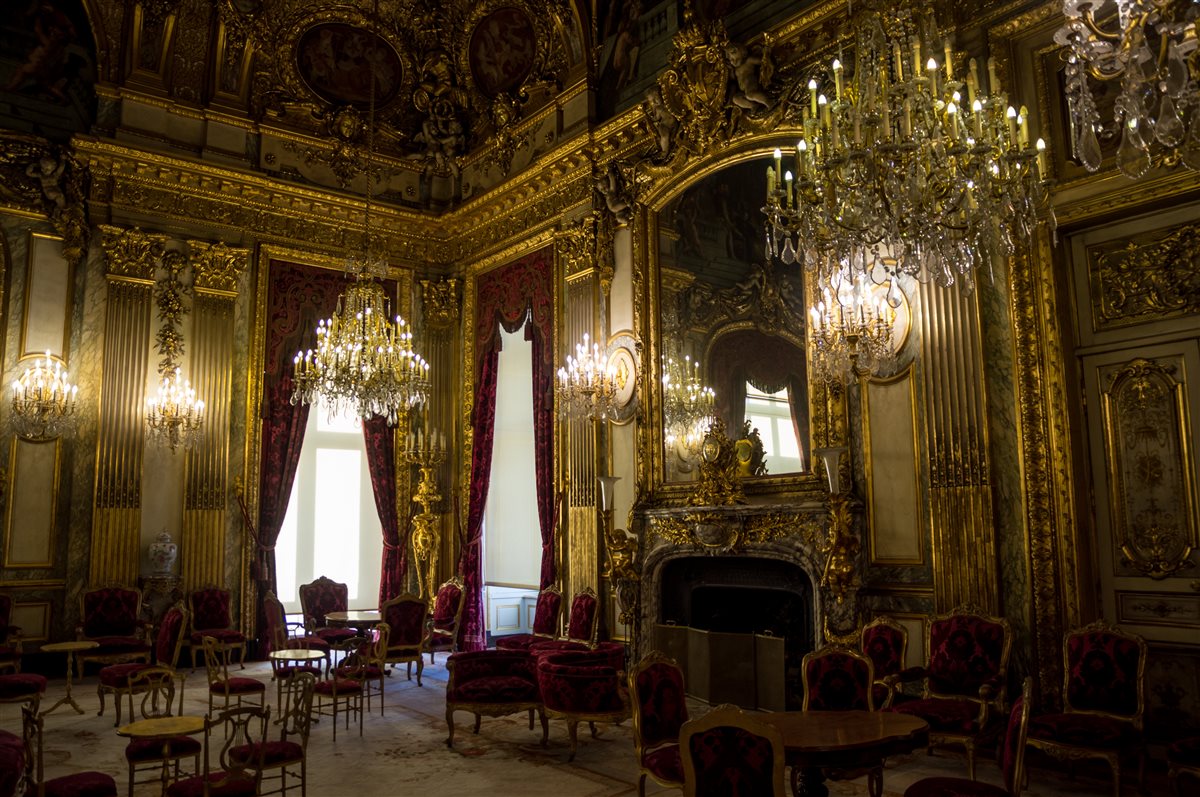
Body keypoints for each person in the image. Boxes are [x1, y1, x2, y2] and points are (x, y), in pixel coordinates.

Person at [725, 42, 771, 111]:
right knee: (736, 99)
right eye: (731, 59)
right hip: (742, 89)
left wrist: (765, 55)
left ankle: (768, 102)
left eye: (735, 58)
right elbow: (733, 79)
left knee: (750, 94)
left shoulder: (748, 61)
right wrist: (731, 70)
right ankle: (753, 106)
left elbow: (762, 61)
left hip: (750, 83)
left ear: (743, 53)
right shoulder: (735, 69)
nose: (732, 61)